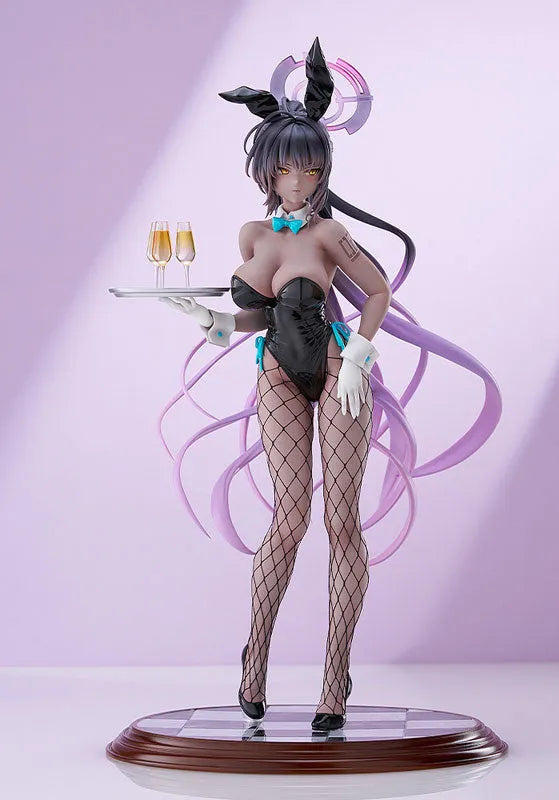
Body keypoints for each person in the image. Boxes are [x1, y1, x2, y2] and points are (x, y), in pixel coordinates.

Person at [159, 37, 501, 733]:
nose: (299, 181)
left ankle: (335, 674)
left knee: (342, 522)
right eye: (288, 169)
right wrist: (209, 321)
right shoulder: (254, 235)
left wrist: (362, 356)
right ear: (268, 170)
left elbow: (376, 292)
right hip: (277, 373)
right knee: (288, 520)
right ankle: (254, 660)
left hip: (341, 370)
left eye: (311, 169)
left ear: (323, 171)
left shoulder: (331, 234)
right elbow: (257, 317)